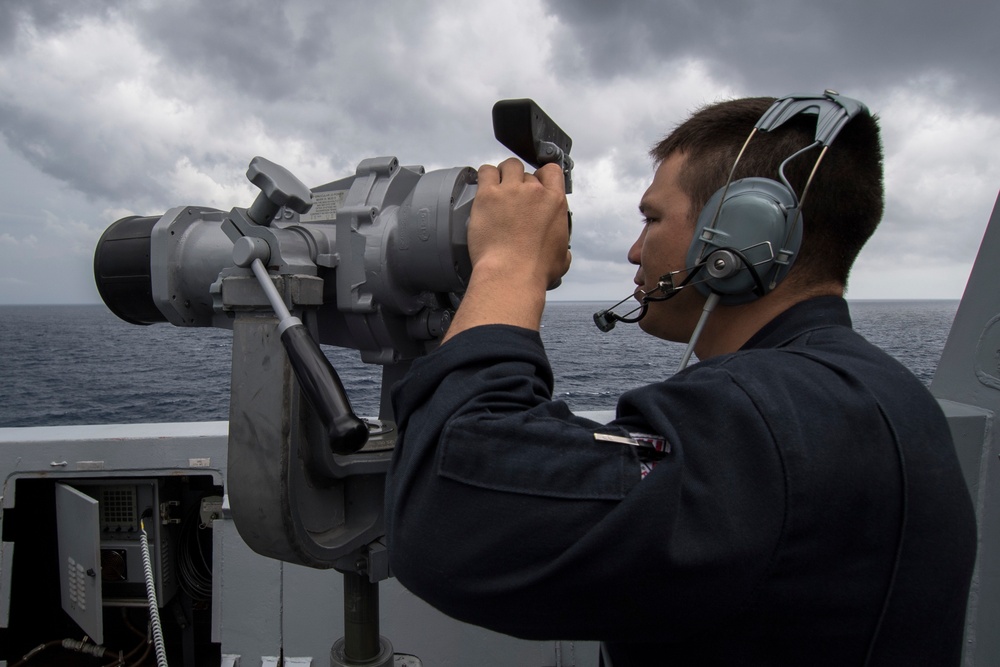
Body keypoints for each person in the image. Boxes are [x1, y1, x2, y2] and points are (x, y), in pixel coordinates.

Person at [383, 94, 977, 666]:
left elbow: (450, 518)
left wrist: (508, 262)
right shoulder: (880, 394)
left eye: (652, 218)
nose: (634, 251)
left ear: (740, 234)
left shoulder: (770, 418)